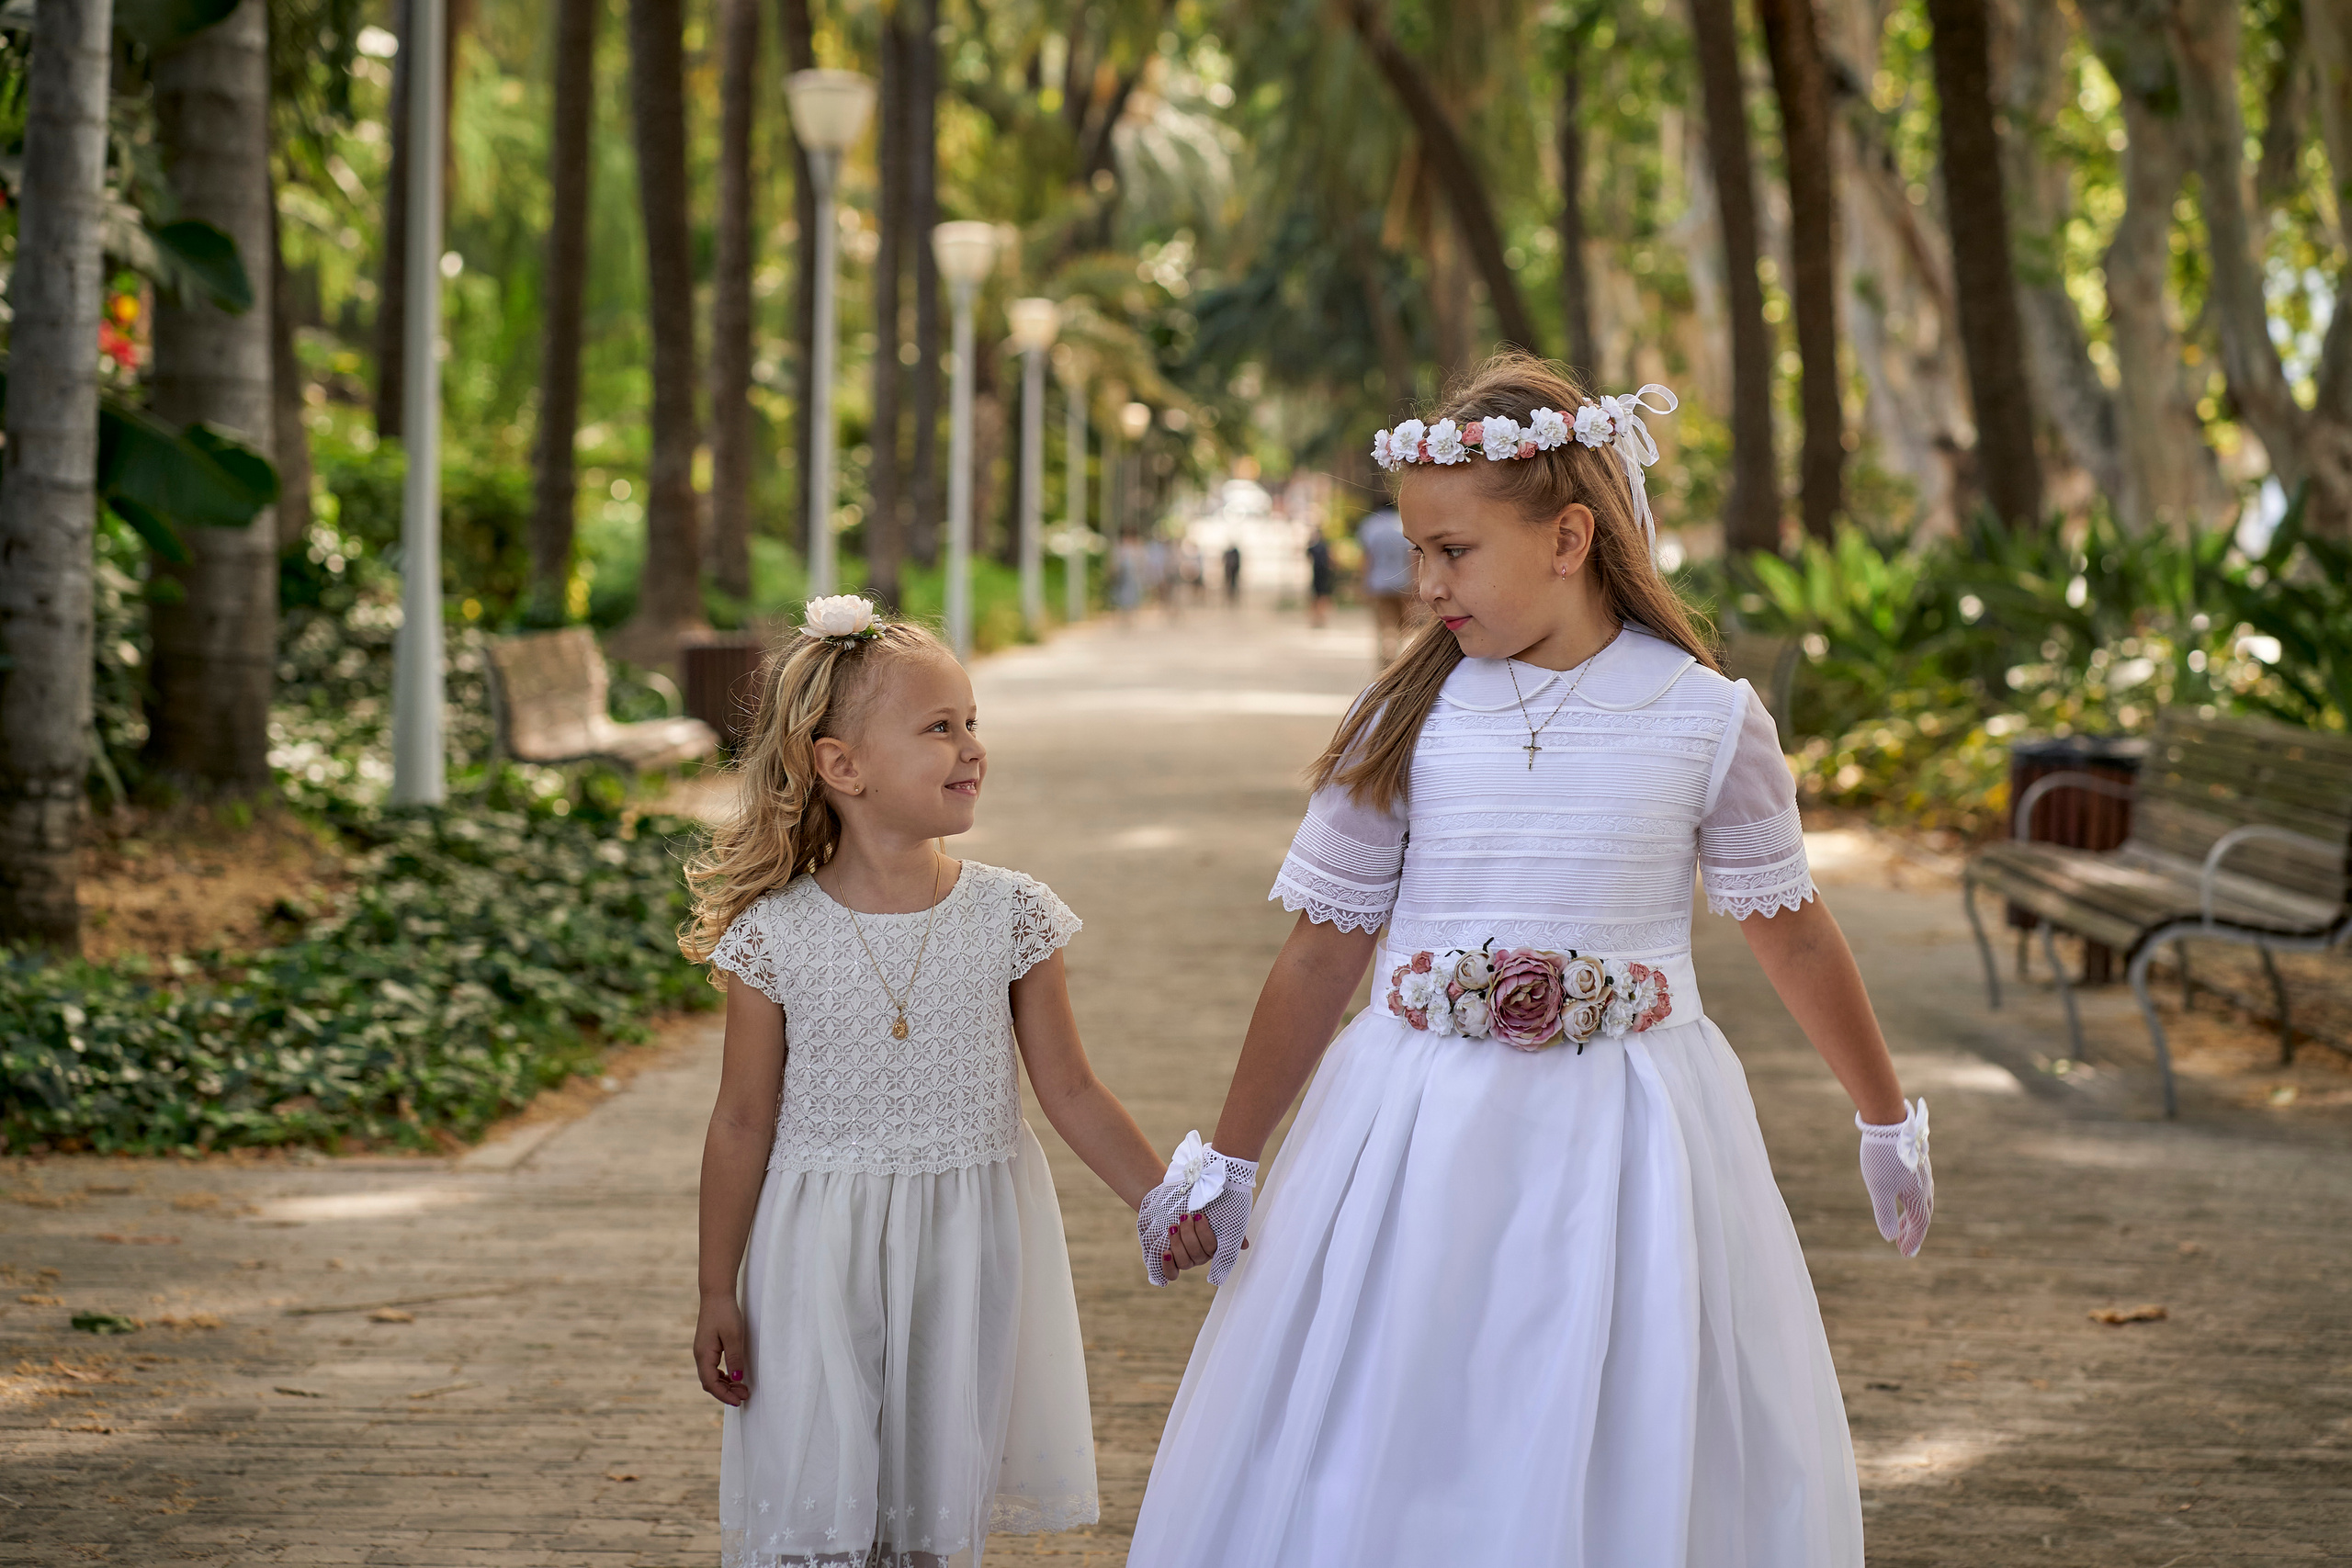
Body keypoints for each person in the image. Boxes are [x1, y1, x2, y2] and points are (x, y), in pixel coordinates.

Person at [1125, 354, 1933, 1567]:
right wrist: (1233, 1153)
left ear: (1569, 537)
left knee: (1612, 1400)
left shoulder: (1705, 717)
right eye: (1417, 551)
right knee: (1408, 1404)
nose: (1423, 580)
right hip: (1414, 1133)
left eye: (1454, 551)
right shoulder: (1404, 718)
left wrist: (1884, 1114)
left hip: (1632, 1140)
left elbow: (1794, 928)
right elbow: (1316, 957)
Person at [681, 597, 1218, 1568]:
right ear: (841, 765)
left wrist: (1160, 1198)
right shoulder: (776, 935)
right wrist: (718, 1286)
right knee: (822, 1499)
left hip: (963, 1245)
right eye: (938, 727)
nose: (971, 747)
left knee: (936, 1502)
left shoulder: (1012, 915)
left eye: (972, 722)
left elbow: (1072, 1091)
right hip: (815, 1252)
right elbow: (741, 1122)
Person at [1354, 504, 1416, 664]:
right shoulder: (1402, 524)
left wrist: (1363, 583)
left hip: (1378, 583)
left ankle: (1386, 658)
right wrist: (1415, 581)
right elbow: (1413, 556)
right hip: (1402, 581)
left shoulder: (1370, 526)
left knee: (1384, 624)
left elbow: (1367, 558)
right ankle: (1399, 659)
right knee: (1402, 624)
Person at [1304, 529, 1335, 628]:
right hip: (1322, 574)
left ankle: (1318, 617)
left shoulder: (1315, 547)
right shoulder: (1323, 546)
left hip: (1319, 574)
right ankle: (1319, 617)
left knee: (1318, 596)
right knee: (1321, 596)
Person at [1221, 540, 1243, 605]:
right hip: (1228, 570)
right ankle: (1229, 595)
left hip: (1233, 571)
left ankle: (1232, 595)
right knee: (1228, 583)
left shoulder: (1235, 553)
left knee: (1233, 583)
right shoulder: (1230, 553)